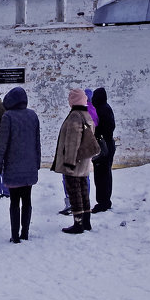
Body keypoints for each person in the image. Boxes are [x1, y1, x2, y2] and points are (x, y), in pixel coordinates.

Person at [0, 86, 41, 243]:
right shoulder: (33, 116)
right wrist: (37, 163)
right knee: (27, 200)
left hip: (13, 166)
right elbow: (37, 143)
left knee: (14, 202)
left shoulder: (8, 117)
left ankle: (15, 236)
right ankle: (25, 233)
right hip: (29, 166)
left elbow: (2, 143)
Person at [52, 87, 100, 234]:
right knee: (83, 191)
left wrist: (69, 163)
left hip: (74, 161)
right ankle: (86, 221)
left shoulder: (75, 116)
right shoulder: (86, 115)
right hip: (84, 161)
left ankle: (78, 223)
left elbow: (73, 142)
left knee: (74, 191)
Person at [91, 87, 116, 212]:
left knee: (101, 175)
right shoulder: (107, 108)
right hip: (109, 144)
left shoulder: (100, 110)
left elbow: (100, 128)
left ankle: (103, 202)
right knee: (106, 174)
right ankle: (105, 200)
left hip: (103, 146)